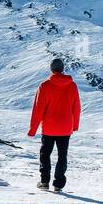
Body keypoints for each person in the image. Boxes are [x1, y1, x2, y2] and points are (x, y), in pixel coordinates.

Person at [28, 58, 81, 192]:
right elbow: (76, 107)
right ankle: (58, 185)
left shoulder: (45, 85)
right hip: (65, 127)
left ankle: (44, 182)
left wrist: (33, 129)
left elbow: (38, 109)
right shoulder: (72, 85)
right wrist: (74, 125)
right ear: (62, 69)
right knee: (62, 156)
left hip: (49, 128)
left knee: (45, 154)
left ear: (51, 69)